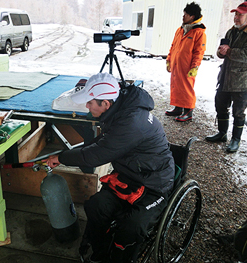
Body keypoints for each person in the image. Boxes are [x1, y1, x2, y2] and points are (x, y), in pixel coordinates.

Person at [44, 72, 175, 263]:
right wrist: (63, 156)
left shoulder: (131, 122)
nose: (87, 107)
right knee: (95, 206)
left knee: (132, 226)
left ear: (105, 104)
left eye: (90, 103)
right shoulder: (119, 111)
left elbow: (95, 156)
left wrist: (62, 157)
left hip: (154, 184)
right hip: (129, 175)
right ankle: (101, 253)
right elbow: (99, 145)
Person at [206, 1, 247, 153]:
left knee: (238, 112)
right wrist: (221, 52)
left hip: (242, 81)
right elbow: (221, 52)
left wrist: (229, 51)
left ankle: (235, 140)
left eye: (240, 15)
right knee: (220, 106)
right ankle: (222, 133)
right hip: (225, 77)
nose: (236, 18)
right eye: (236, 14)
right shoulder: (232, 31)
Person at [165, 2, 206, 122]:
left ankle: (188, 111)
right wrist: (168, 60)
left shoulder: (199, 32)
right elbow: (173, 46)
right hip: (176, 64)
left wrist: (195, 67)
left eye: (186, 14)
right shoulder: (180, 29)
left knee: (186, 87)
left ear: (192, 16)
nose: (183, 16)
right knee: (176, 85)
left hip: (187, 67)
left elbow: (199, 51)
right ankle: (178, 108)